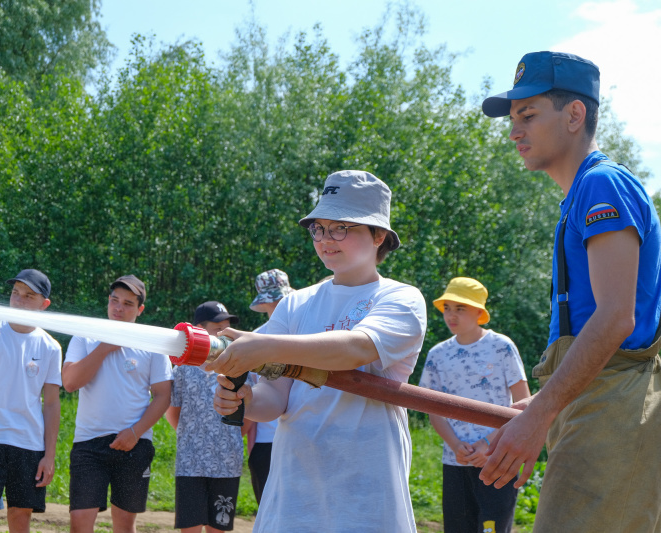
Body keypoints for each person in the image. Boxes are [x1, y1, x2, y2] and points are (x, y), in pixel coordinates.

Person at [479, 52, 661, 532]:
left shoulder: (602, 184)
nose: (514, 130)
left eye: (528, 114)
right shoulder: (581, 193)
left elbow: (616, 318)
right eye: (513, 119)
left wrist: (539, 415)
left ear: (575, 114)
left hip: (613, 404)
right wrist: (539, 405)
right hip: (596, 398)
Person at [210, 170, 428, 533]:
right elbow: (275, 401)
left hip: (366, 492)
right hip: (295, 490)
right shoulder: (295, 304)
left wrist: (264, 345)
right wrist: (244, 400)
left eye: (340, 227)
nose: (326, 239)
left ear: (378, 235)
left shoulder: (400, 298)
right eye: (318, 228)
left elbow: (356, 348)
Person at [62, 275, 173, 533]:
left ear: (140, 309)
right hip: (89, 443)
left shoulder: (153, 343)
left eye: (127, 303)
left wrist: (135, 433)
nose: (119, 308)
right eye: (114, 301)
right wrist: (104, 348)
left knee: (124, 526)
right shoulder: (86, 336)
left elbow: (163, 396)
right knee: (79, 522)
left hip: (135, 444)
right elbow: (69, 383)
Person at [418, 277, 529, 533]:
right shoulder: (437, 354)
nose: (451, 315)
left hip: (498, 459)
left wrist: (489, 443)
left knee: (491, 528)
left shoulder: (502, 347)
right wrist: (456, 445)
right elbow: (431, 408)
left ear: (479, 312)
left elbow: (523, 404)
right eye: (447, 308)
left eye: (460, 308)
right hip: (455, 461)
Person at [0, 269, 62, 533]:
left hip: (29, 444)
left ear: (44, 304)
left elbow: (51, 403)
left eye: (29, 296)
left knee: (20, 520)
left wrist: (49, 455)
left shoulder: (51, 347)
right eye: (16, 293)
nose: (19, 300)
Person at [166, 301, 244, 533]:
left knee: (218, 527)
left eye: (227, 328)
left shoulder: (240, 367)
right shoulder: (183, 368)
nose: (224, 333)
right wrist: (195, 436)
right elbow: (173, 412)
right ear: (199, 329)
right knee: (190, 528)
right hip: (191, 463)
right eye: (218, 327)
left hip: (227, 462)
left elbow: (247, 415)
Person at [245, 269, 294, 504]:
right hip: (266, 442)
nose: (278, 305)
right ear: (263, 305)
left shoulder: (307, 334)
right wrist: (251, 444)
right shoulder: (254, 340)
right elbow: (251, 394)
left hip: (300, 438)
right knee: (267, 515)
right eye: (272, 301)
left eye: (281, 299)